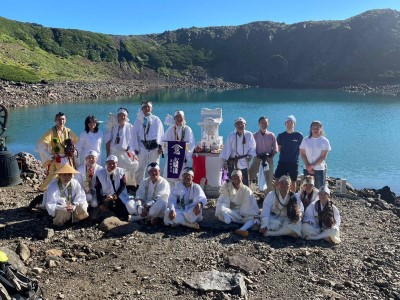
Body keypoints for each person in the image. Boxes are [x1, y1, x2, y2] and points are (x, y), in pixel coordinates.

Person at [35, 112, 79, 191]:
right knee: (53, 175)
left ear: (65, 120)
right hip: (57, 158)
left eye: (63, 119)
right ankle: (45, 190)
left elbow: (77, 141)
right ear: (55, 120)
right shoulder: (51, 131)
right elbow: (41, 144)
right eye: (59, 119)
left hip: (67, 158)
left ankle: (69, 190)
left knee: (69, 174)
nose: (61, 121)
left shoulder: (68, 131)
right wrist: (49, 155)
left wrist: (74, 151)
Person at [215, 170, 260, 237]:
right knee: (223, 211)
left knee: (253, 218)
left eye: (238, 177)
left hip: (242, 211)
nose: (236, 180)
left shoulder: (246, 189)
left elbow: (252, 204)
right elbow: (222, 201)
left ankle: (241, 229)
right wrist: (224, 209)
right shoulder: (227, 187)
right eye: (234, 178)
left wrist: (254, 215)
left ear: (241, 178)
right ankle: (232, 220)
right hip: (230, 210)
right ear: (231, 178)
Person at [104, 107, 138, 190]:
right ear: (118, 116)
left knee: (129, 168)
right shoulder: (114, 126)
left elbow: (134, 141)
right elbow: (108, 140)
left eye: (124, 116)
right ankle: (113, 187)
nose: (122, 117)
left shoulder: (130, 127)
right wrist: (108, 153)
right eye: (120, 115)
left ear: (126, 117)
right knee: (113, 169)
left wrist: (133, 153)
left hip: (125, 152)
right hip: (114, 152)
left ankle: (128, 187)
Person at [132, 101, 165, 186]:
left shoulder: (156, 119)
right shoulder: (138, 120)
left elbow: (161, 134)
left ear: (151, 108)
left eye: (148, 107)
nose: (147, 109)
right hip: (143, 147)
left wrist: (161, 147)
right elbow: (134, 135)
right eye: (145, 107)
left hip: (154, 147)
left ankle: (155, 185)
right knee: (140, 168)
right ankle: (139, 186)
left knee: (155, 167)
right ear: (142, 109)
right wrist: (136, 148)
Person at [162, 110, 195, 188]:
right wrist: (168, 147)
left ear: (184, 118)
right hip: (173, 156)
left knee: (182, 175)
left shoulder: (187, 129)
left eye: (181, 117)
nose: (179, 118)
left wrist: (186, 154)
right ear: (174, 118)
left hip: (182, 156)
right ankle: (171, 192)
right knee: (171, 177)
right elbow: (164, 141)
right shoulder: (171, 129)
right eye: (177, 117)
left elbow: (191, 143)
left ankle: (182, 192)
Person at [220, 117, 256, 186]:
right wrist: (225, 160)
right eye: (238, 124)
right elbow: (227, 148)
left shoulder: (249, 134)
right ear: (235, 126)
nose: (240, 126)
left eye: (242, 124)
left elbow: (253, 147)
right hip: (233, 161)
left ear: (245, 125)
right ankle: (233, 195)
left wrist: (250, 156)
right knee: (233, 179)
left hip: (244, 161)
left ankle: (244, 194)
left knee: (244, 179)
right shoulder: (231, 135)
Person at [94, 155, 132, 221]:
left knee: (124, 208)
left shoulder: (121, 172)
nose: (112, 165)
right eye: (109, 163)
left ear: (117, 164)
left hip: (119, 195)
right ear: (106, 163)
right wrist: (100, 203)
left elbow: (123, 185)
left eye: (114, 163)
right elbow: (98, 189)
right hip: (106, 196)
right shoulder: (100, 173)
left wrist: (115, 196)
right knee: (106, 205)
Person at [249, 116, 278, 194]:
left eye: (265, 122)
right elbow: (251, 148)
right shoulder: (254, 135)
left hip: (268, 159)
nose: (263, 124)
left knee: (269, 179)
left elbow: (275, 149)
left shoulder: (271, 135)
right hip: (257, 159)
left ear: (268, 124)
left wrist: (271, 156)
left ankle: (267, 197)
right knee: (250, 176)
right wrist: (256, 155)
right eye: (262, 122)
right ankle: (247, 194)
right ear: (259, 124)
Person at [274, 115, 303, 192]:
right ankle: (277, 196)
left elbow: (301, 149)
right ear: (285, 124)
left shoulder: (299, 136)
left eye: (291, 123)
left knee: (293, 181)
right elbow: (278, 149)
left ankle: (292, 198)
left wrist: (295, 157)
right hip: (282, 162)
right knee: (277, 179)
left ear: (294, 124)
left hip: (293, 162)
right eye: (287, 123)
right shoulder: (281, 136)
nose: (289, 124)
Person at [300, 120, 331, 189]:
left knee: (319, 189)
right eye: (313, 128)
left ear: (321, 129)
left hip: (319, 169)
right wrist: (308, 165)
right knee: (307, 190)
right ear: (311, 129)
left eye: (317, 128)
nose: (315, 130)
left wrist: (312, 166)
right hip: (306, 168)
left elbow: (323, 156)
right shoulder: (305, 140)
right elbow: (302, 154)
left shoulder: (325, 141)